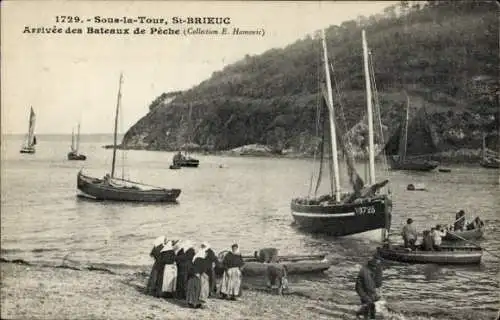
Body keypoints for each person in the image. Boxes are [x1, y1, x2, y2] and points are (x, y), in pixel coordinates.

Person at [355, 256, 383, 320]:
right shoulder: (363, 272)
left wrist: (378, 295)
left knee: (373, 313)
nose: (376, 268)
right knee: (366, 312)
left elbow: (378, 285)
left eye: (377, 266)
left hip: (373, 297)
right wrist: (365, 298)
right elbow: (358, 288)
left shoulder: (377, 271)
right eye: (375, 266)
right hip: (366, 297)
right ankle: (359, 314)